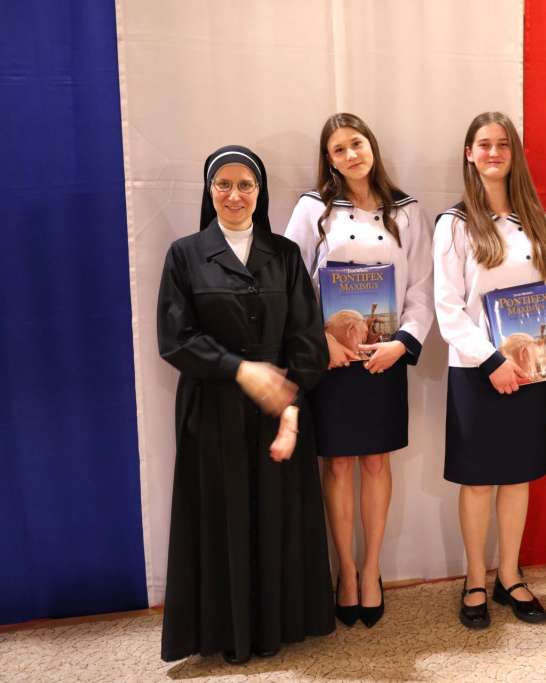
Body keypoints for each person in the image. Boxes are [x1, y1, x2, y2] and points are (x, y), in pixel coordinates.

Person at [157, 145, 334, 664]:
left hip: (280, 408)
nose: (234, 195)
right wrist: (241, 369)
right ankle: (224, 634)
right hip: (212, 409)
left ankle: (277, 627)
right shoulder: (184, 254)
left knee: (278, 514)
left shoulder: (285, 255)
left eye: (245, 185)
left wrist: (291, 406)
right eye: (223, 184)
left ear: (260, 191)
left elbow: (307, 340)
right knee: (221, 516)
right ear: (209, 190)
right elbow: (175, 340)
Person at [284, 113, 433, 628]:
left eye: (357, 143)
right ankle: (345, 572)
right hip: (330, 358)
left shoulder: (406, 210)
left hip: (384, 356)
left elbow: (422, 287)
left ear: (372, 146)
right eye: (339, 149)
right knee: (338, 465)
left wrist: (403, 343)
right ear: (329, 160)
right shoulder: (313, 208)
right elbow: (292, 282)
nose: (351, 155)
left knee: (374, 462)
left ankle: (372, 571)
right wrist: (319, 340)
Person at [433, 111, 546, 629]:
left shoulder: (537, 220)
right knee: (478, 481)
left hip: (530, 369)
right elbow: (448, 308)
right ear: (469, 154)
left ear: (514, 154)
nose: (493, 153)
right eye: (483, 144)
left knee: (517, 478)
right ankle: (475, 577)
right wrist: (493, 361)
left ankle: (510, 575)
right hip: (477, 371)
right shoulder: (453, 224)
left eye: (503, 144)